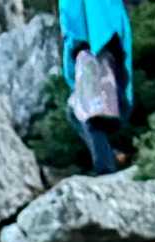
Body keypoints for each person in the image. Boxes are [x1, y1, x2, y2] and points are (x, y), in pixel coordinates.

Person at [57, 0, 132, 177]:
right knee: (79, 111)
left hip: (93, 50)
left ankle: (106, 168)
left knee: (88, 114)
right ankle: (109, 155)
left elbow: (74, 19)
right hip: (100, 47)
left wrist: (77, 51)